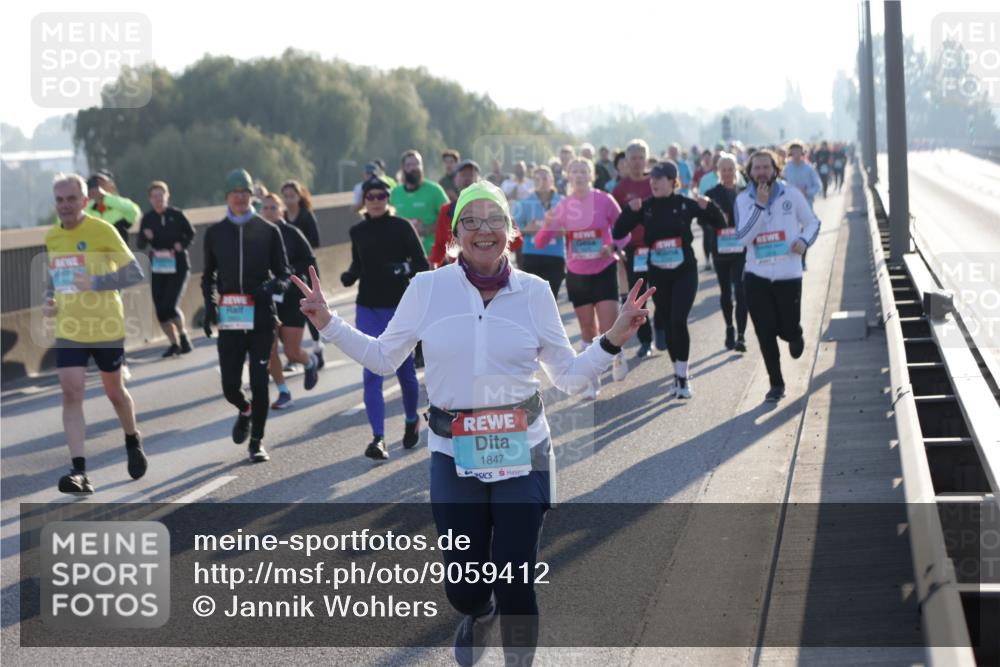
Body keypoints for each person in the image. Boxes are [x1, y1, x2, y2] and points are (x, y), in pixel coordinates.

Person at [293, 179, 654, 667]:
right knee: (464, 587)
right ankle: (478, 612)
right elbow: (382, 359)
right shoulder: (427, 288)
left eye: (495, 220)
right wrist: (327, 322)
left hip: (523, 451)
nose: (484, 230)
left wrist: (613, 336)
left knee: (516, 578)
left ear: (510, 231)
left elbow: (567, 377)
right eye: (471, 221)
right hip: (451, 452)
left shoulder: (536, 293)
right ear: (454, 233)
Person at [44, 173, 147, 494]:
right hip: (70, 327)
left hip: (105, 325)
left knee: (115, 393)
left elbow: (135, 271)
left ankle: (132, 438)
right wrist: (49, 299)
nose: (65, 205)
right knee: (71, 392)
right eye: (60, 200)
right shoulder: (52, 237)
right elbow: (56, 277)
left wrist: (98, 283)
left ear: (84, 201)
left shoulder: (102, 230)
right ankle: (79, 471)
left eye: (71, 199)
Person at [201, 168, 293, 463]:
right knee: (230, 385)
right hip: (230, 317)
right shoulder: (215, 234)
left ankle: (256, 442)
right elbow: (208, 276)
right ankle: (245, 409)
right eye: (234, 192)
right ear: (227, 197)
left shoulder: (269, 230)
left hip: (262, 318)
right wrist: (208, 306)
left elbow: (285, 274)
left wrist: (270, 287)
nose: (240, 197)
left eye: (245, 192)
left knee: (258, 380)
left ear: (252, 195)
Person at [614, 161, 726, 398]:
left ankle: (683, 377)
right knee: (668, 322)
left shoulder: (685, 204)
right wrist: (629, 212)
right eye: (651, 179)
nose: (653, 182)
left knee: (678, 321)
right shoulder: (646, 207)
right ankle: (677, 372)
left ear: (673, 181)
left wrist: (709, 207)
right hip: (658, 274)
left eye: (659, 178)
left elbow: (720, 224)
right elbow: (617, 233)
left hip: (685, 271)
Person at [340, 176, 429, 459]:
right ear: (364, 201)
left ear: (388, 199)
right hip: (367, 307)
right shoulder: (358, 231)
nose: (376, 201)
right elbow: (359, 262)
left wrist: (401, 268)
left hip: (399, 309)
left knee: (404, 373)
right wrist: (351, 274)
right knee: (371, 373)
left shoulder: (401, 227)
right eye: (371, 196)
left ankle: (411, 420)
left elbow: (421, 264)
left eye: (381, 196)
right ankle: (378, 438)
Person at [534, 157, 631, 394]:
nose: (578, 175)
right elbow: (541, 242)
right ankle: (591, 380)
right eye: (574, 171)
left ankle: (617, 355)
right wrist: (546, 224)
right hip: (577, 274)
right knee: (588, 329)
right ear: (568, 177)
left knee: (609, 326)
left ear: (591, 175)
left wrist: (613, 247)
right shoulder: (563, 205)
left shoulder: (604, 200)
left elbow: (624, 229)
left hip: (604, 268)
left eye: (583, 170)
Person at [734, 150, 821, 403]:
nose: (761, 172)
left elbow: (813, 222)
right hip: (756, 275)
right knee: (764, 331)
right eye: (756, 168)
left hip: (788, 274)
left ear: (775, 169)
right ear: (749, 173)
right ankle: (776, 383)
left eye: (766, 167)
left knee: (787, 327)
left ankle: (795, 334)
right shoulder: (743, 200)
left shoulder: (791, 194)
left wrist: (804, 241)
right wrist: (760, 206)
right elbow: (743, 238)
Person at [258, 193, 319, 410]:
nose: (269, 211)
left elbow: (310, 261)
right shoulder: (256, 234)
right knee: (271, 349)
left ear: (281, 210)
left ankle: (309, 362)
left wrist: (291, 276)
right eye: (265, 208)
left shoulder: (292, 233)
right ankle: (284, 392)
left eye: (273, 207)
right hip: (268, 298)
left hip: (292, 296)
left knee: (292, 352)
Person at [611, 139, 658, 358]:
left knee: (663, 291)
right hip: (634, 250)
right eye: (633, 159)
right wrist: (618, 249)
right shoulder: (620, 190)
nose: (638, 163)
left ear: (647, 159)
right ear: (626, 162)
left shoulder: (656, 182)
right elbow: (615, 223)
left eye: (641, 158)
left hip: (660, 247)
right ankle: (646, 340)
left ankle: (663, 327)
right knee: (639, 297)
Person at [137, 180, 195, 357]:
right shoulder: (147, 219)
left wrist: (181, 244)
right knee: (160, 309)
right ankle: (174, 343)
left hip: (178, 265)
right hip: (159, 267)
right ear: (149, 199)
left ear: (167, 196)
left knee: (170, 305)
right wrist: (146, 237)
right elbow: (140, 244)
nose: (158, 199)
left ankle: (183, 336)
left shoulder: (176, 214)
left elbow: (191, 233)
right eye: (154, 196)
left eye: (161, 195)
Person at [703, 154, 749, 352]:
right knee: (725, 292)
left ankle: (741, 336)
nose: (728, 173)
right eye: (724, 169)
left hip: (741, 248)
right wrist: (717, 220)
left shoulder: (746, 192)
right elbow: (702, 220)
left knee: (741, 291)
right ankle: (729, 328)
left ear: (736, 171)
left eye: (731, 169)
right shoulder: (711, 193)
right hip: (721, 249)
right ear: (718, 172)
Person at [281, 179, 324, 367]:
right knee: (290, 313)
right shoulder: (281, 217)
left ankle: (317, 345)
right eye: (286, 196)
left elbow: (315, 242)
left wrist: (298, 243)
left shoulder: (306, 216)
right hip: (287, 272)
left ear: (299, 197)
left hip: (306, 269)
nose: (289, 200)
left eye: (292, 196)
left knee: (310, 308)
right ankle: (293, 353)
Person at [513, 165, 565, 299]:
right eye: (537, 178)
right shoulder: (524, 203)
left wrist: (562, 231)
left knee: (550, 299)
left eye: (545, 177)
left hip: (555, 256)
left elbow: (572, 227)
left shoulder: (563, 202)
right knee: (532, 299)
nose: (541, 181)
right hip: (531, 255)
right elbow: (513, 229)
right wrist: (526, 230)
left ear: (551, 180)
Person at [390, 150, 450, 259]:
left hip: (432, 257)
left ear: (422, 166)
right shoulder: (395, 193)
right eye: (409, 165)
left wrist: (428, 229)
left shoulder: (435, 190)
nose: (414, 168)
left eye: (417, 163)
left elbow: (450, 218)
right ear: (403, 168)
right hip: (403, 256)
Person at [429, 159, 482, 268]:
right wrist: (433, 264)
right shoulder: (447, 210)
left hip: (489, 272)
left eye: (471, 174)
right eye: (463, 174)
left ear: (479, 179)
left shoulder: (492, 208)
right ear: (455, 179)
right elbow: (440, 244)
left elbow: (515, 240)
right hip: (458, 273)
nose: (467, 178)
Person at [86, 170, 141, 245]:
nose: (99, 187)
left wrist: (105, 197)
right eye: (95, 184)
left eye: (102, 183)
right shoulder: (89, 207)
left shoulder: (119, 203)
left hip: (120, 251)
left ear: (112, 185)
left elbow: (134, 211)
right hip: (98, 251)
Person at [782, 142, 821, 207]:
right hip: (792, 204)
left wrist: (807, 192)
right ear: (790, 153)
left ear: (802, 152)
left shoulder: (809, 168)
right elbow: (783, 187)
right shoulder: (786, 169)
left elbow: (817, 186)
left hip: (807, 203)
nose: (796, 154)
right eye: (794, 151)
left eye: (798, 151)